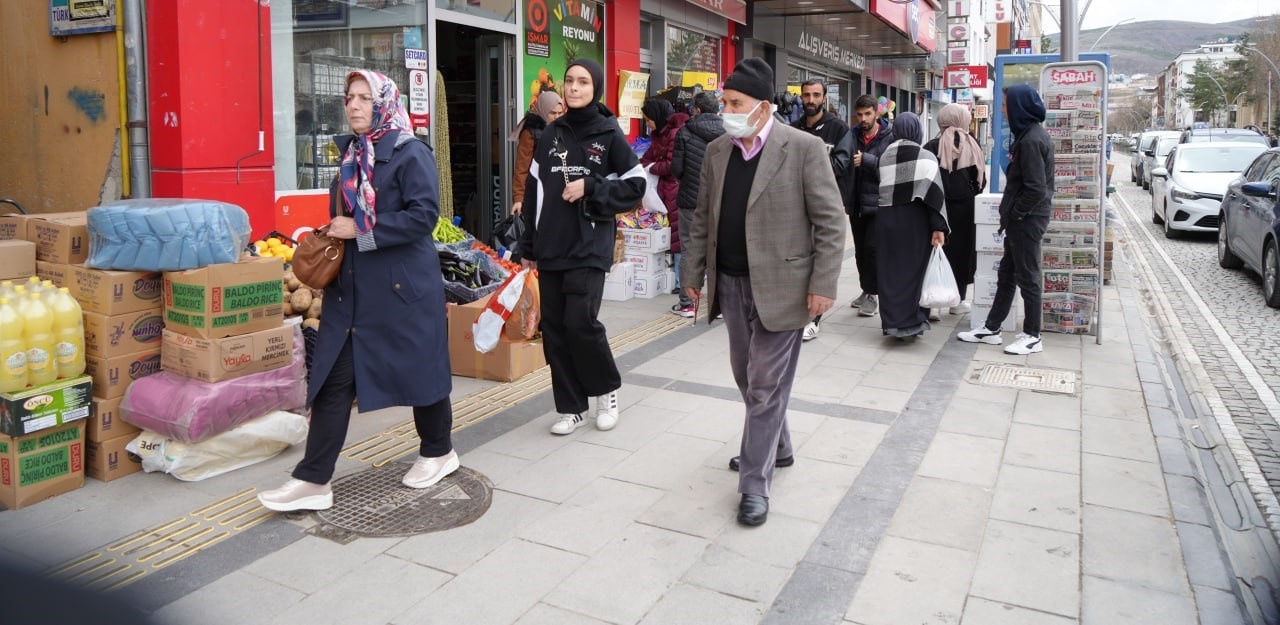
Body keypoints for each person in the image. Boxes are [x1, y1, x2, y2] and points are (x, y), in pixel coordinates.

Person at [259, 70, 457, 512]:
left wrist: (361, 229)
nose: (353, 105)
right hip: (353, 294)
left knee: (421, 375)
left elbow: (423, 217)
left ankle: (439, 450)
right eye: (350, 98)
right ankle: (313, 480)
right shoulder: (352, 154)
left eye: (365, 98)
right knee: (331, 380)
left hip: (403, 290)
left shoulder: (410, 153)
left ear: (384, 102)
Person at [681, 58, 846, 527]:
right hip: (731, 283)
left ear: (765, 108)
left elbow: (831, 222)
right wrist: (693, 274)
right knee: (744, 374)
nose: (727, 110)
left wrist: (823, 286)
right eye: (726, 102)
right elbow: (701, 217)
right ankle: (779, 445)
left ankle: (755, 483)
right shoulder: (717, 151)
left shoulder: (804, 148)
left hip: (787, 288)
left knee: (764, 382)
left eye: (736, 104)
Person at [518, 59, 646, 434]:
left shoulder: (608, 134)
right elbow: (533, 194)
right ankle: (571, 406)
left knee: (581, 323)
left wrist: (592, 187)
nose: (574, 88)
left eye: (583, 82)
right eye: (570, 81)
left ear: (596, 89)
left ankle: (605, 391)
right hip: (552, 244)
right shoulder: (550, 133)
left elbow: (636, 187)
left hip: (590, 245)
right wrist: (528, 244)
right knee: (555, 328)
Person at [958, 84, 1054, 355]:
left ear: (1018, 107)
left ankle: (1033, 335)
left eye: (1005, 104)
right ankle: (991, 328)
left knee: (1028, 277)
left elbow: (1036, 188)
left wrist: (1017, 213)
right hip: (1021, 220)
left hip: (1027, 221)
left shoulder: (1032, 140)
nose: (1002, 109)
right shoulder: (1027, 135)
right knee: (1007, 274)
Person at [874, 112, 949, 341]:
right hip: (915, 220)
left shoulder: (885, 156)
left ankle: (891, 322)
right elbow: (934, 196)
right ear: (917, 130)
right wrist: (938, 227)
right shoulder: (925, 156)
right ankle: (912, 321)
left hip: (887, 219)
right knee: (914, 271)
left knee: (890, 272)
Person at [792, 79, 854, 342]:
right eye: (806, 95)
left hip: (825, 205)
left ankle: (814, 318)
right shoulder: (792, 129)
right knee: (798, 259)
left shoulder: (839, 129)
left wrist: (808, 163)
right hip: (795, 205)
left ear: (824, 98)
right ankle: (797, 312)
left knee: (821, 258)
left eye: (816, 95)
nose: (810, 100)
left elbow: (841, 165)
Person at [923, 103, 986, 316]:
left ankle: (933, 301)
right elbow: (981, 179)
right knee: (962, 253)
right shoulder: (972, 143)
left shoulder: (932, 146)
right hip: (966, 208)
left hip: (938, 207)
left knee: (936, 251)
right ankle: (957, 300)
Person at [640, 98, 689, 310]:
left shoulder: (674, 133)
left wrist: (650, 168)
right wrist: (642, 165)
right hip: (663, 190)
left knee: (678, 237)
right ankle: (672, 279)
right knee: (670, 235)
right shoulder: (659, 133)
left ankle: (681, 283)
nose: (648, 124)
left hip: (675, 189)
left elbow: (671, 165)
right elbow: (648, 157)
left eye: (649, 120)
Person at [850, 94, 895, 317]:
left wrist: (866, 160)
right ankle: (865, 290)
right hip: (856, 203)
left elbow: (892, 168)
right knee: (859, 251)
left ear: (877, 112)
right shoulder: (852, 135)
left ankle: (873, 295)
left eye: (868, 114)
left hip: (878, 204)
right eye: (859, 115)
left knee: (872, 250)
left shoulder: (889, 136)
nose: (863, 119)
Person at [511, 91, 566, 217]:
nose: (557, 117)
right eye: (552, 113)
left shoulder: (563, 129)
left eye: (560, 113)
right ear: (543, 110)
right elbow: (522, 168)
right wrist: (519, 198)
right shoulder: (530, 132)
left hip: (559, 192)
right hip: (537, 192)